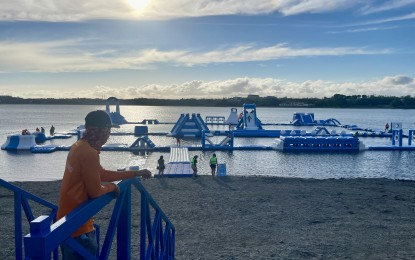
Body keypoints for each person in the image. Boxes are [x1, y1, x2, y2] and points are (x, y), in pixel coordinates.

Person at [57, 110, 152, 259]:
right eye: (108, 130)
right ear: (103, 131)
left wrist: (135, 173)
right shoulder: (89, 153)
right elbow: (95, 192)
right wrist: (113, 187)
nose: (108, 135)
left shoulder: (78, 146)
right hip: (79, 229)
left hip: (66, 221)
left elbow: (101, 173)